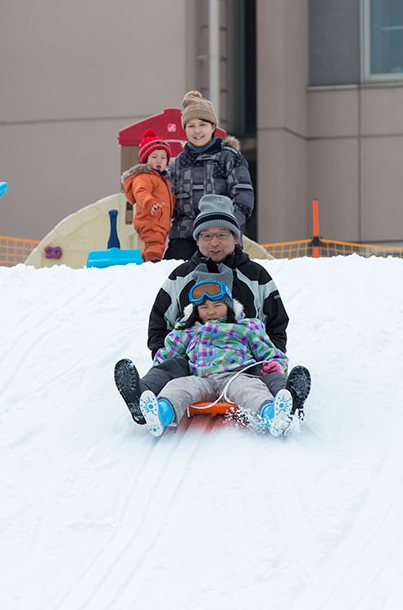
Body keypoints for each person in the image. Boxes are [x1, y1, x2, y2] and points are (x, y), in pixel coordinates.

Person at [114, 194, 311, 424]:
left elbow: (276, 323)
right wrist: (168, 356)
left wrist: (270, 359)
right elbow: (160, 323)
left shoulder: (256, 276)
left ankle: (286, 403)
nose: (214, 243)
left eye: (221, 235)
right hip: (193, 364)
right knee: (170, 370)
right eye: (207, 236)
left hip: (245, 363)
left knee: (268, 374)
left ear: (235, 238)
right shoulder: (181, 276)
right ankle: (143, 397)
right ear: (197, 240)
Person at [137, 277, 294, 438]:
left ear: (229, 306)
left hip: (236, 376)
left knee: (250, 390)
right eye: (204, 307)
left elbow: (270, 352)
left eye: (217, 306)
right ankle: (160, 415)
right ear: (196, 311)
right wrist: (156, 374)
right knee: (179, 386)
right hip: (201, 379)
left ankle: (272, 416)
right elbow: (168, 354)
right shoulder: (189, 330)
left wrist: (276, 365)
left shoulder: (246, 326)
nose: (211, 311)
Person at [165, 90, 254, 261]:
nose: (197, 131)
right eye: (191, 126)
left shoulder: (229, 157)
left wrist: (228, 227)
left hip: (220, 233)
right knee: (177, 276)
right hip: (185, 237)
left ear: (213, 127)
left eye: (202, 125)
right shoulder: (177, 164)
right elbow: (170, 202)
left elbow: (244, 196)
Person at [122, 129, 175, 263]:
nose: (159, 160)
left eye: (163, 158)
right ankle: (152, 265)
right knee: (155, 245)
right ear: (146, 159)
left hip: (160, 221)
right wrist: (150, 203)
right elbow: (141, 192)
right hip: (150, 219)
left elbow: (168, 198)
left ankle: (146, 262)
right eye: (154, 157)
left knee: (157, 244)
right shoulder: (144, 177)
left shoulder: (163, 180)